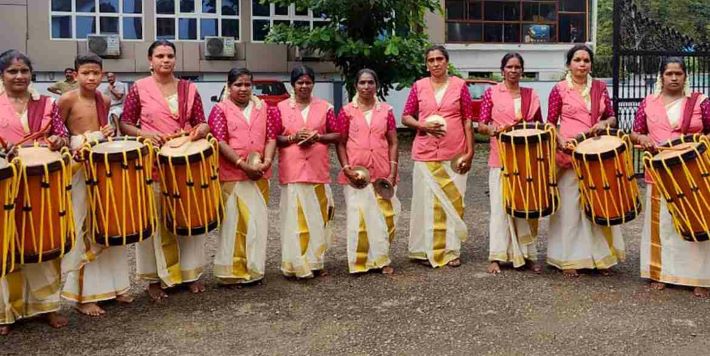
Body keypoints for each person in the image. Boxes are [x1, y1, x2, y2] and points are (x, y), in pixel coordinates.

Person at [120, 40, 210, 301]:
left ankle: (190, 274)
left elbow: (202, 122)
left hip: (185, 164)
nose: (166, 60)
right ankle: (154, 280)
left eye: (170, 55)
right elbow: (126, 123)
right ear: (150, 60)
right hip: (154, 165)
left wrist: (200, 130)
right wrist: (146, 134)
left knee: (188, 217)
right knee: (156, 222)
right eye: (160, 56)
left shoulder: (189, 88)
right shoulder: (138, 88)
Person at [0, 50, 69, 335]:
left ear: (31, 74)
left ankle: (47, 307)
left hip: (42, 184)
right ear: (2, 75)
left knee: (43, 243)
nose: (19, 76)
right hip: (6, 186)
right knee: (6, 246)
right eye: (12, 71)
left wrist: (56, 139)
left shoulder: (48, 104)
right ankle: (5, 313)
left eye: (24, 71)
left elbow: (63, 135)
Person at [631, 57, 710, 298]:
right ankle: (661, 273)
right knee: (662, 225)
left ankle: (700, 277)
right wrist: (641, 139)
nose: (674, 78)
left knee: (696, 221)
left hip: (692, 172)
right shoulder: (648, 103)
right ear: (661, 77)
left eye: (678, 73)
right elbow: (636, 131)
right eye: (669, 73)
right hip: (659, 171)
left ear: (685, 76)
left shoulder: (700, 103)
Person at [58, 53, 130, 316]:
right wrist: (80, 140)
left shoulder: (105, 98)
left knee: (109, 223)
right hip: (79, 170)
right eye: (85, 73)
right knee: (85, 227)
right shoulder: (67, 99)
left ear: (102, 74)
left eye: (95, 73)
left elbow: (106, 130)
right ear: (75, 75)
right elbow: (56, 134)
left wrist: (107, 132)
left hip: (103, 167)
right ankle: (83, 297)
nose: (91, 77)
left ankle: (114, 287)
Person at [546, 44, 624, 277]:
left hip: (595, 154)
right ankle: (568, 259)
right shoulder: (559, 89)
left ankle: (601, 258)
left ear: (591, 64)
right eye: (577, 60)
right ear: (569, 64)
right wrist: (559, 140)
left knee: (598, 203)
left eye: (586, 60)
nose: (582, 64)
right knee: (569, 207)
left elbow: (612, 116)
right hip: (568, 154)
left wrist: (604, 123)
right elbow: (550, 122)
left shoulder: (600, 88)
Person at [401, 45, 475, 268]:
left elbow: (467, 120)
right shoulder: (419, 87)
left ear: (447, 62)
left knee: (453, 200)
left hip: (454, 153)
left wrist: (470, 152)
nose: (435, 63)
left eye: (439, 59)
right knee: (425, 202)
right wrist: (422, 125)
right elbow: (406, 117)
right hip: (425, 154)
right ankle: (423, 250)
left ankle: (451, 251)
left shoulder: (460, 86)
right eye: (431, 60)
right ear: (426, 64)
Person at [272, 65, 344, 278]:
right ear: (292, 85)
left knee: (317, 216)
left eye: (308, 82)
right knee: (294, 219)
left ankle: (315, 262)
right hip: (292, 170)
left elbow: (337, 134)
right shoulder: (280, 108)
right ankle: (294, 264)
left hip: (316, 170)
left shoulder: (325, 107)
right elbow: (274, 138)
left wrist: (318, 137)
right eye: (299, 82)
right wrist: (294, 138)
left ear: (313, 84)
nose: (304, 86)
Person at [207, 68, 277, 284]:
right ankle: (232, 272)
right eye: (238, 84)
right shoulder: (220, 110)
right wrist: (241, 164)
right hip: (232, 175)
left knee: (257, 222)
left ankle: (254, 269)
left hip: (259, 173)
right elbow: (219, 141)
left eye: (247, 84)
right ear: (229, 87)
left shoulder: (264, 108)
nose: (243, 89)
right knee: (234, 224)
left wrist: (266, 162)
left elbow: (271, 137)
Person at [476, 53, 543, 274]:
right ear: (502, 70)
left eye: (517, 67)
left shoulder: (531, 95)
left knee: (525, 205)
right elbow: (481, 124)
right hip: (501, 157)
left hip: (525, 158)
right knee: (499, 207)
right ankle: (497, 256)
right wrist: (492, 130)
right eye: (509, 67)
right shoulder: (491, 93)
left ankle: (527, 255)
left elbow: (540, 125)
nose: (513, 71)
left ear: (522, 70)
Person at [336, 68, 400, 274]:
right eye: (362, 83)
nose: (366, 87)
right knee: (359, 217)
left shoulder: (386, 111)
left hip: (382, 171)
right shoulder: (347, 111)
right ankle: (360, 262)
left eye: (370, 83)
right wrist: (346, 169)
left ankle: (381, 259)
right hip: (358, 173)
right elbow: (341, 142)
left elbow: (393, 142)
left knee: (386, 215)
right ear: (356, 85)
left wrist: (392, 171)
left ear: (377, 85)